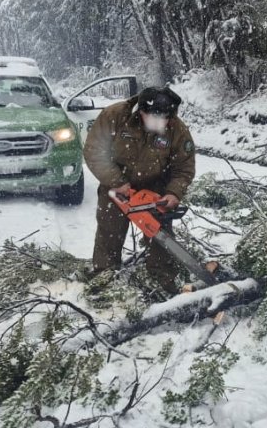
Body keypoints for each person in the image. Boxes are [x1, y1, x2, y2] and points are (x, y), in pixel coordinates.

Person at [83, 86, 197, 296]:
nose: (160, 124)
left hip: (155, 188)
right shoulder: (115, 115)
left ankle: (162, 282)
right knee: (109, 233)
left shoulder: (176, 129)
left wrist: (173, 193)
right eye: (155, 119)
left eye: (165, 120)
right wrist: (116, 181)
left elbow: (184, 167)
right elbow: (94, 150)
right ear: (141, 111)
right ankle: (104, 279)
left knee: (161, 238)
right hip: (115, 186)